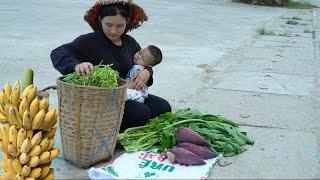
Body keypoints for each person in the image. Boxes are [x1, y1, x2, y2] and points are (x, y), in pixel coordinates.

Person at [50, 0, 171, 131]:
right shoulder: (90, 41)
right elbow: (57, 53)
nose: (113, 31)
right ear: (100, 20)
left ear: (127, 22)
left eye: (120, 26)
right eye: (108, 25)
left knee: (163, 108)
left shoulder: (130, 42)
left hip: (129, 94)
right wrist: (76, 65)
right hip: (104, 100)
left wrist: (147, 71)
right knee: (141, 113)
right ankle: (109, 134)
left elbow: (143, 61)